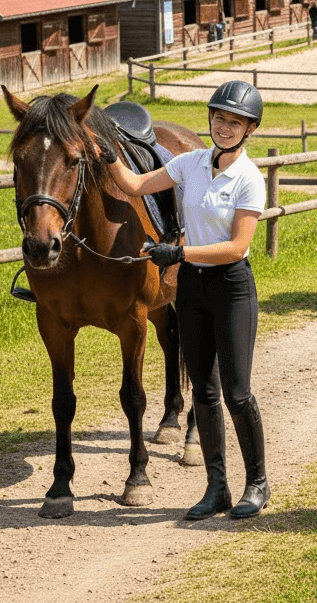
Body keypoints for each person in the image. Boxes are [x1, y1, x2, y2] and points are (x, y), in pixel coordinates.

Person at [105, 80, 270, 522]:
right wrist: (105, 152)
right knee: (204, 391)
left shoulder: (249, 180)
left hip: (232, 286)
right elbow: (137, 185)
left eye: (234, 121)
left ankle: (257, 482)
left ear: (249, 128)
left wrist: (177, 253)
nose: (224, 126)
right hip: (193, 287)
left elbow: (237, 247)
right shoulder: (191, 162)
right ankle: (217, 487)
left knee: (237, 393)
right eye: (219, 117)